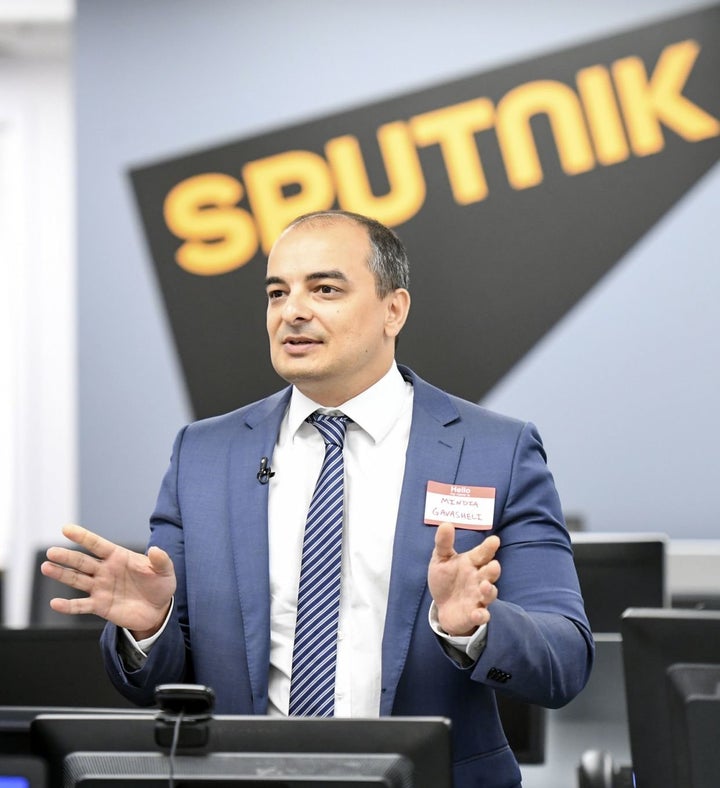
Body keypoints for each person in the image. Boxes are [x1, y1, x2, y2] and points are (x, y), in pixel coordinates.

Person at [43, 209, 594, 788]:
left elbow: (565, 662)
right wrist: (149, 628)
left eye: (324, 289)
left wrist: (472, 629)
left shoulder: (495, 450)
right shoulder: (204, 454)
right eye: (277, 292)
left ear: (393, 310)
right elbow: (152, 681)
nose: (293, 311)